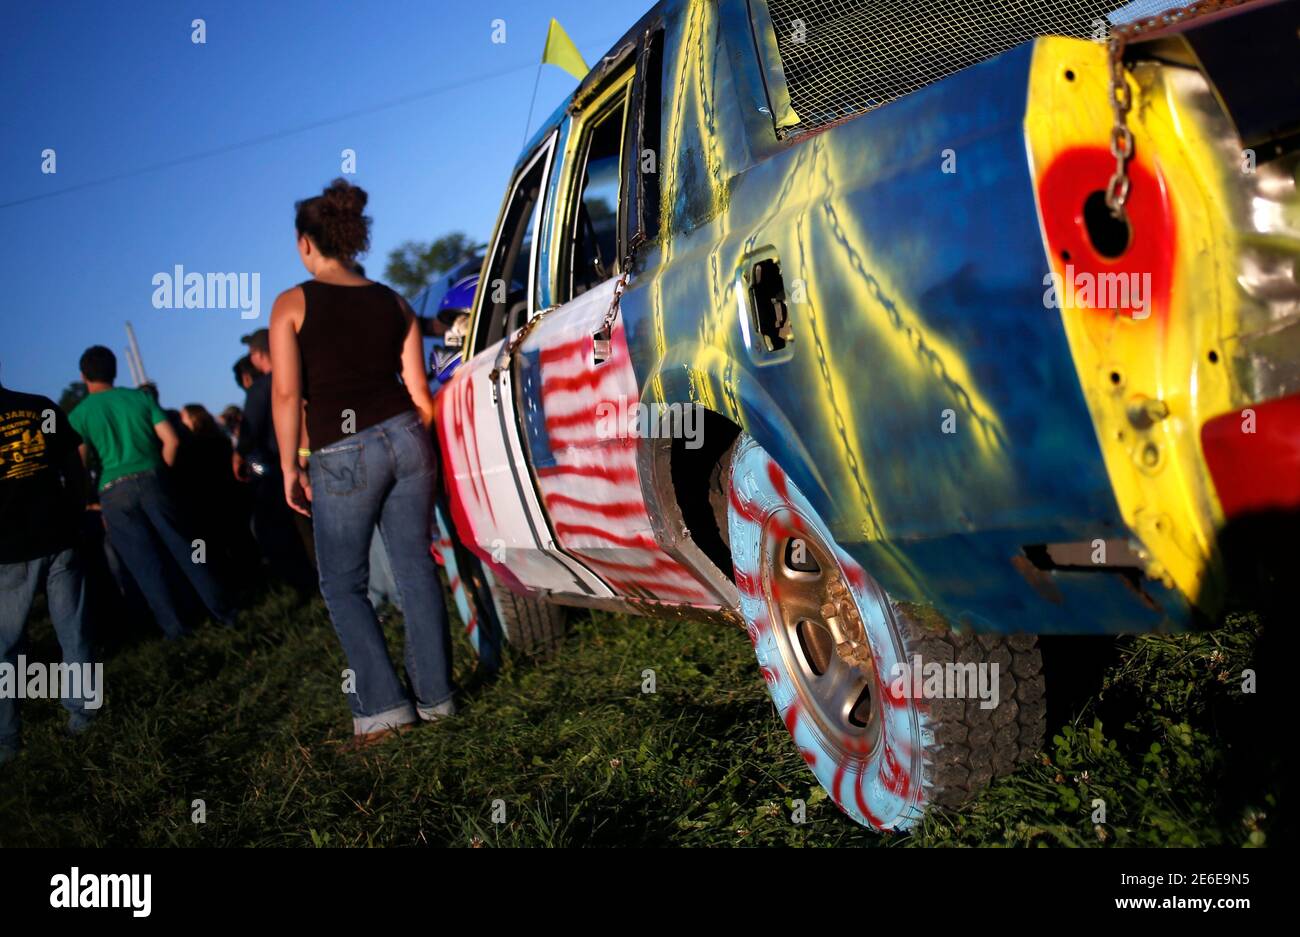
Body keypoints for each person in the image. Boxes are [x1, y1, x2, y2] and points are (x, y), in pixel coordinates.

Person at [269, 177, 454, 745]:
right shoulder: (393, 301)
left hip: (341, 451)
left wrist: (288, 467)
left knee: (344, 585)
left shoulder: (292, 303)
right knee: (416, 570)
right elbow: (420, 394)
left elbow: (285, 394)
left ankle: (383, 710)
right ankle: (437, 699)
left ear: (306, 243)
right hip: (405, 437)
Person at [68, 346, 235, 638]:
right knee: (188, 549)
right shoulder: (139, 398)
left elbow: (78, 466)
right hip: (153, 478)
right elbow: (171, 441)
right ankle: (224, 612)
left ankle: (175, 629)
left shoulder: (79, 415)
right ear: (115, 370)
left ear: (84, 376)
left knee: (145, 565)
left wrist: (89, 502)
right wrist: (161, 474)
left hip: (113, 491)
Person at [0, 367, 97, 763]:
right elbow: (74, 466)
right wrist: (79, 509)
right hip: (58, 534)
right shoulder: (38, 407)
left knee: (6, 647)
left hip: (8, 549)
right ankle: (83, 717)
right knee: (73, 632)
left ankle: (7, 740)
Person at [233, 330, 317, 595]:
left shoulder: (260, 390)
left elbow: (250, 432)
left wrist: (238, 455)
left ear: (258, 356)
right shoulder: (301, 373)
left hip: (281, 468)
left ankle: (310, 583)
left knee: (286, 530)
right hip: (311, 456)